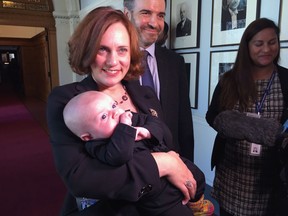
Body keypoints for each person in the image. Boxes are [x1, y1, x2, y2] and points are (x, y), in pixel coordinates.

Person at [47, 6, 200, 216]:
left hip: (164, 203)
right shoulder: (66, 101)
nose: (113, 61)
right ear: (87, 50)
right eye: (102, 49)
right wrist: (164, 163)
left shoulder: (145, 94)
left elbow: (165, 139)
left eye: (122, 50)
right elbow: (81, 178)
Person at [63, 90, 212, 216]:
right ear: (88, 136)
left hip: (171, 164)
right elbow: (119, 155)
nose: (115, 113)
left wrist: (146, 132)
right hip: (158, 196)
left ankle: (197, 203)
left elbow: (155, 123)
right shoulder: (98, 145)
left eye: (114, 105)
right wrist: (125, 127)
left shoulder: (127, 115)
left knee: (197, 177)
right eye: (104, 116)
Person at [206, 17, 288, 216]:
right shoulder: (230, 80)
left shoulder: (286, 80)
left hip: (270, 178)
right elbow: (212, 115)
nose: (266, 49)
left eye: (272, 42)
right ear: (247, 46)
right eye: (259, 44)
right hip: (233, 173)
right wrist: (237, 125)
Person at [123, 0, 195, 161]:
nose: (154, 23)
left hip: (174, 160)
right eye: (146, 13)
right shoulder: (113, 65)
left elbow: (184, 122)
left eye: (160, 15)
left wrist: (189, 165)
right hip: (131, 167)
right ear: (127, 15)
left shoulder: (175, 62)